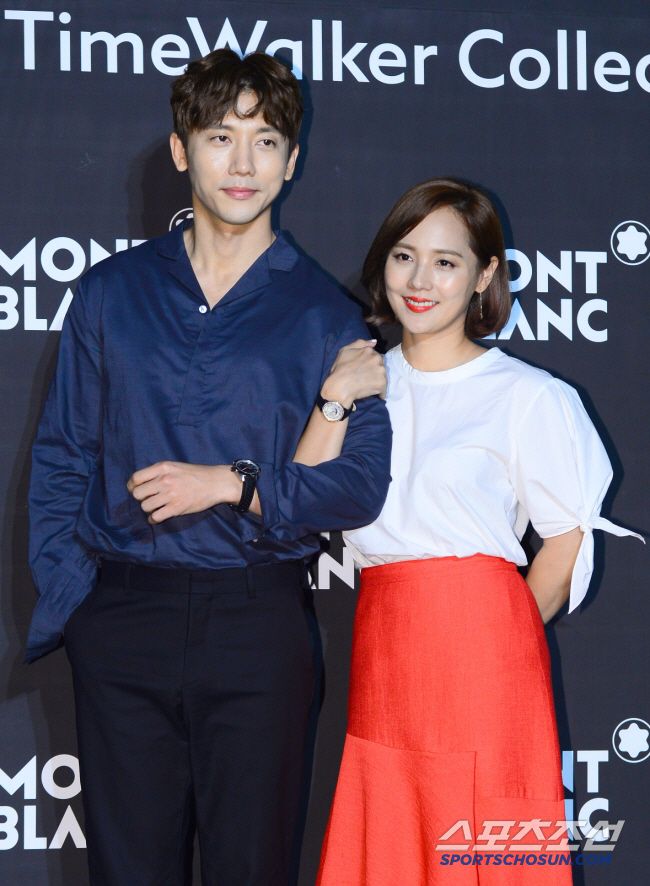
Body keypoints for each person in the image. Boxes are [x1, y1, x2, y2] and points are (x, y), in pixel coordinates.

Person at [27, 49, 391, 885]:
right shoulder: (111, 292)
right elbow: (63, 455)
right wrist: (80, 607)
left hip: (257, 626)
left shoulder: (327, 316)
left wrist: (235, 481)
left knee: (252, 868)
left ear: (291, 163)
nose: (243, 162)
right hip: (123, 619)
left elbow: (357, 486)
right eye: (221, 136)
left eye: (266, 142)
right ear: (181, 149)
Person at [290, 178, 643, 885]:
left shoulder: (529, 396)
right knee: (390, 834)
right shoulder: (358, 382)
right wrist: (336, 397)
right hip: (384, 646)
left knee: (483, 846)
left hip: (485, 658)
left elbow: (566, 539)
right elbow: (300, 500)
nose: (420, 281)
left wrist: (500, 639)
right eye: (404, 256)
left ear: (484, 276)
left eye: (446, 262)